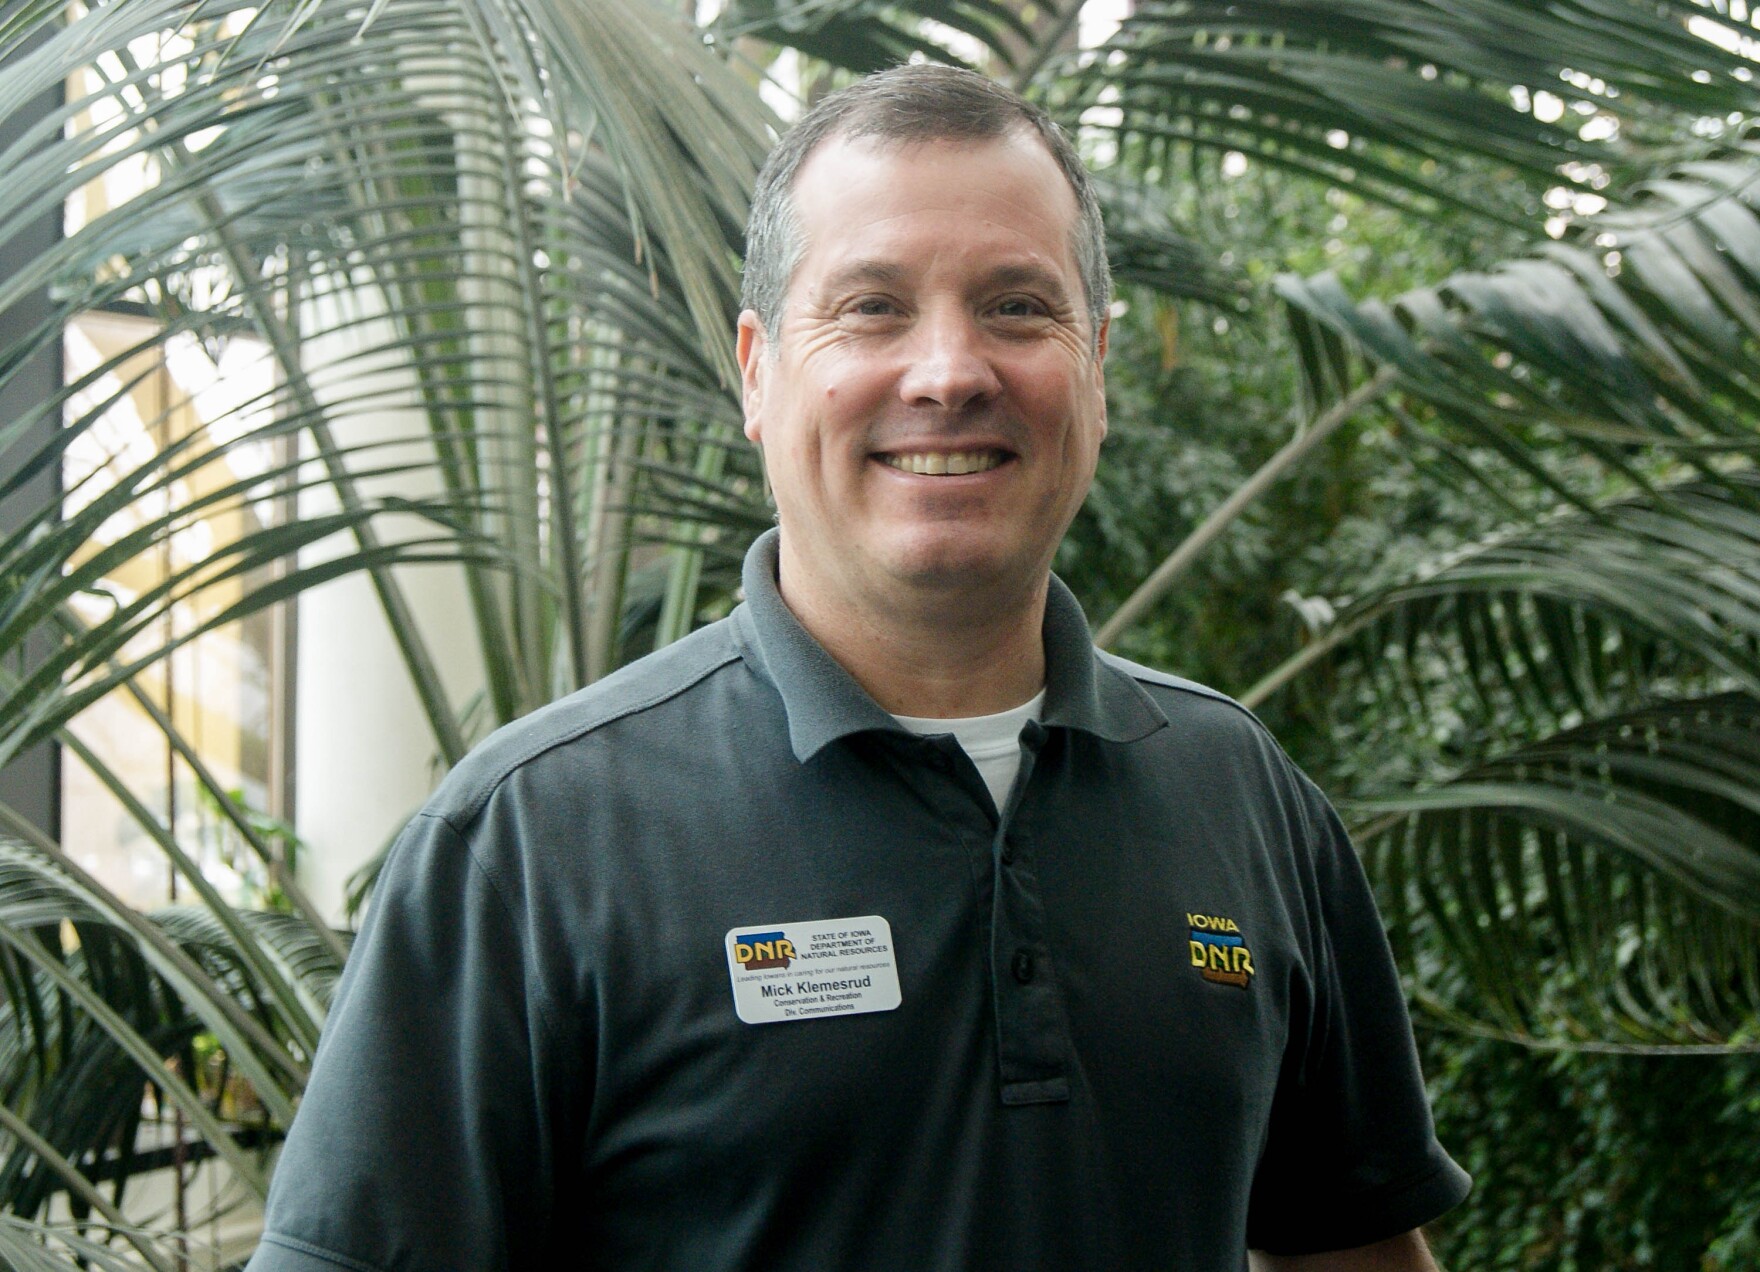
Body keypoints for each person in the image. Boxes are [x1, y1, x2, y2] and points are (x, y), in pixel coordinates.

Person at [247, 64, 1469, 1272]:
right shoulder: (527, 844)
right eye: (871, 307)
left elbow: (1349, 1249)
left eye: (1016, 307)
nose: (947, 372)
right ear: (756, 372)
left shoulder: (1240, 796)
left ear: (1095, 370)